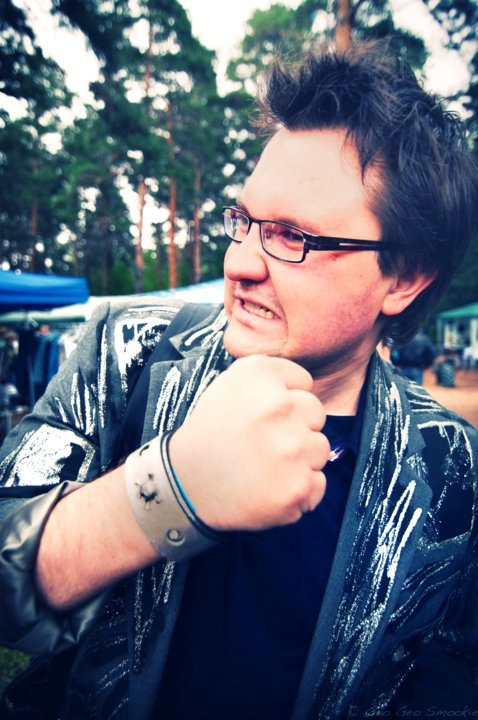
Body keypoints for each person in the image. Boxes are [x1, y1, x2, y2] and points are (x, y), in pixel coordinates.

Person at [0, 42, 478, 720]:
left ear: (402, 278)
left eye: (291, 236)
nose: (240, 264)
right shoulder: (128, 353)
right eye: (244, 222)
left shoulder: (455, 473)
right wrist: (166, 493)